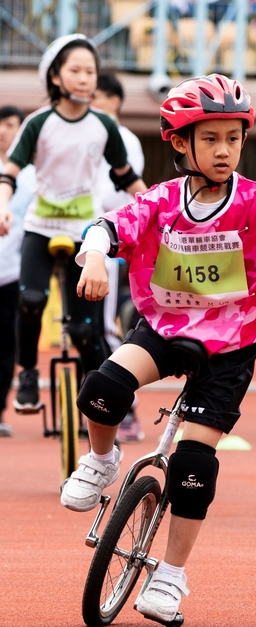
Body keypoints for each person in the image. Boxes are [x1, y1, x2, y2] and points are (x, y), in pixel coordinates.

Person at [60, 74, 256, 625]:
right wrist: (94, 257)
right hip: (165, 329)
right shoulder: (161, 201)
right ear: (181, 142)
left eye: (233, 138)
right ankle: (102, 460)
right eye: (210, 139)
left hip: (230, 346)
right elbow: (107, 227)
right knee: (102, 388)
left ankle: (170, 576)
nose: (224, 149)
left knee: (193, 465)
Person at [0, 33, 146, 412]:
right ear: (55, 76)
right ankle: (28, 373)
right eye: (75, 71)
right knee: (30, 300)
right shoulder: (39, 123)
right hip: (40, 227)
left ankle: (102, 393)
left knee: (84, 330)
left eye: (90, 72)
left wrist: (157, 214)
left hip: (86, 234)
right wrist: (3, 204)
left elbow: (126, 177)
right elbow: (9, 173)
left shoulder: (103, 125)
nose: (84, 79)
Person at [91, 72, 145, 442]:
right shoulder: (82, 133)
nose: (89, 102)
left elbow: (124, 192)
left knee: (103, 327)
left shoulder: (124, 139)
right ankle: (92, 405)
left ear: (115, 100)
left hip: (108, 238)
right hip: (74, 235)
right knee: (77, 328)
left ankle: (126, 409)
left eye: (96, 95)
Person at [0, 106, 36, 436]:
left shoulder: (31, 176)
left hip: (12, 272)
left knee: (5, 343)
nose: (3, 131)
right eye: (0, 125)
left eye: (10, 125)